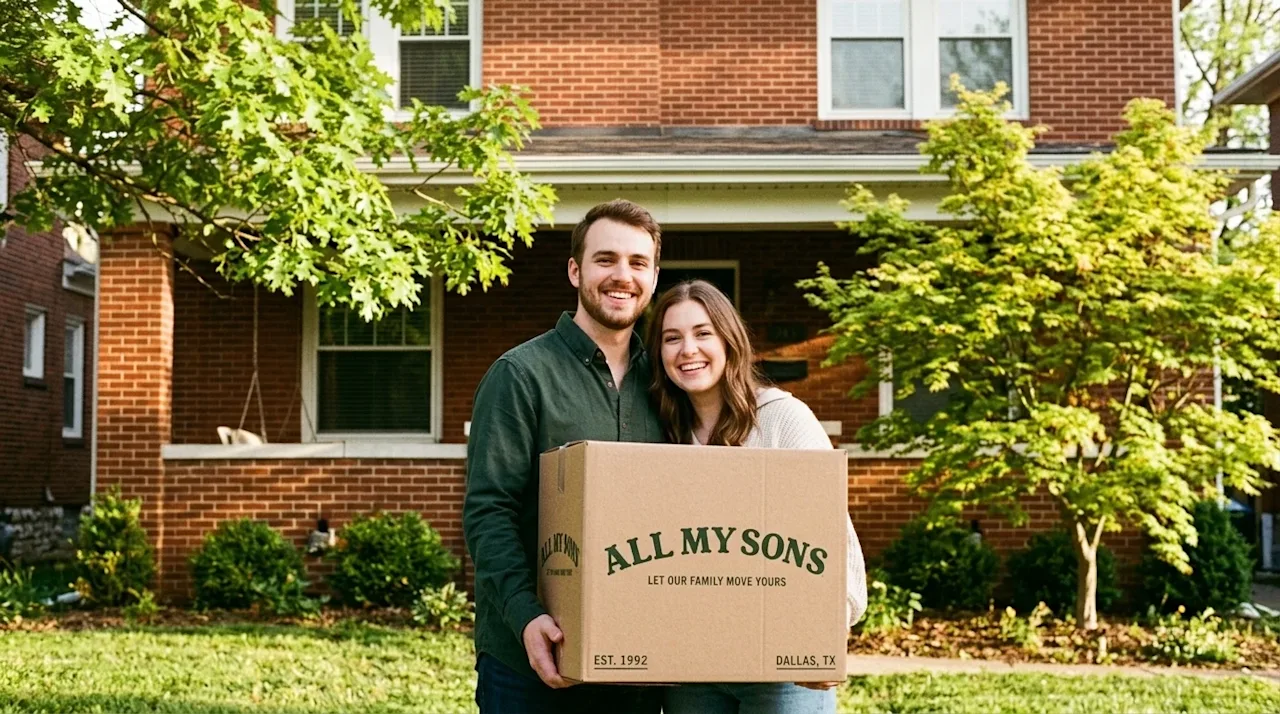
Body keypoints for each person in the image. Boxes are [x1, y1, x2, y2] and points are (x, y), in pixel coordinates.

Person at [462, 199, 666, 714]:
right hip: (531, 657)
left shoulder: (667, 385)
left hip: (637, 662)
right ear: (575, 271)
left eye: (638, 263)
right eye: (605, 260)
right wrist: (526, 617)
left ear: (654, 276)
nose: (622, 276)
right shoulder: (520, 376)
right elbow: (489, 511)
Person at [646, 279, 868, 714]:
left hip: (781, 666)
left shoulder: (783, 419)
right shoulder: (666, 436)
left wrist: (829, 631)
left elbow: (832, 537)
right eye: (672, 338)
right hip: (695, 667)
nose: (687, 349)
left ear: (730, 340)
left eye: (702, 333)